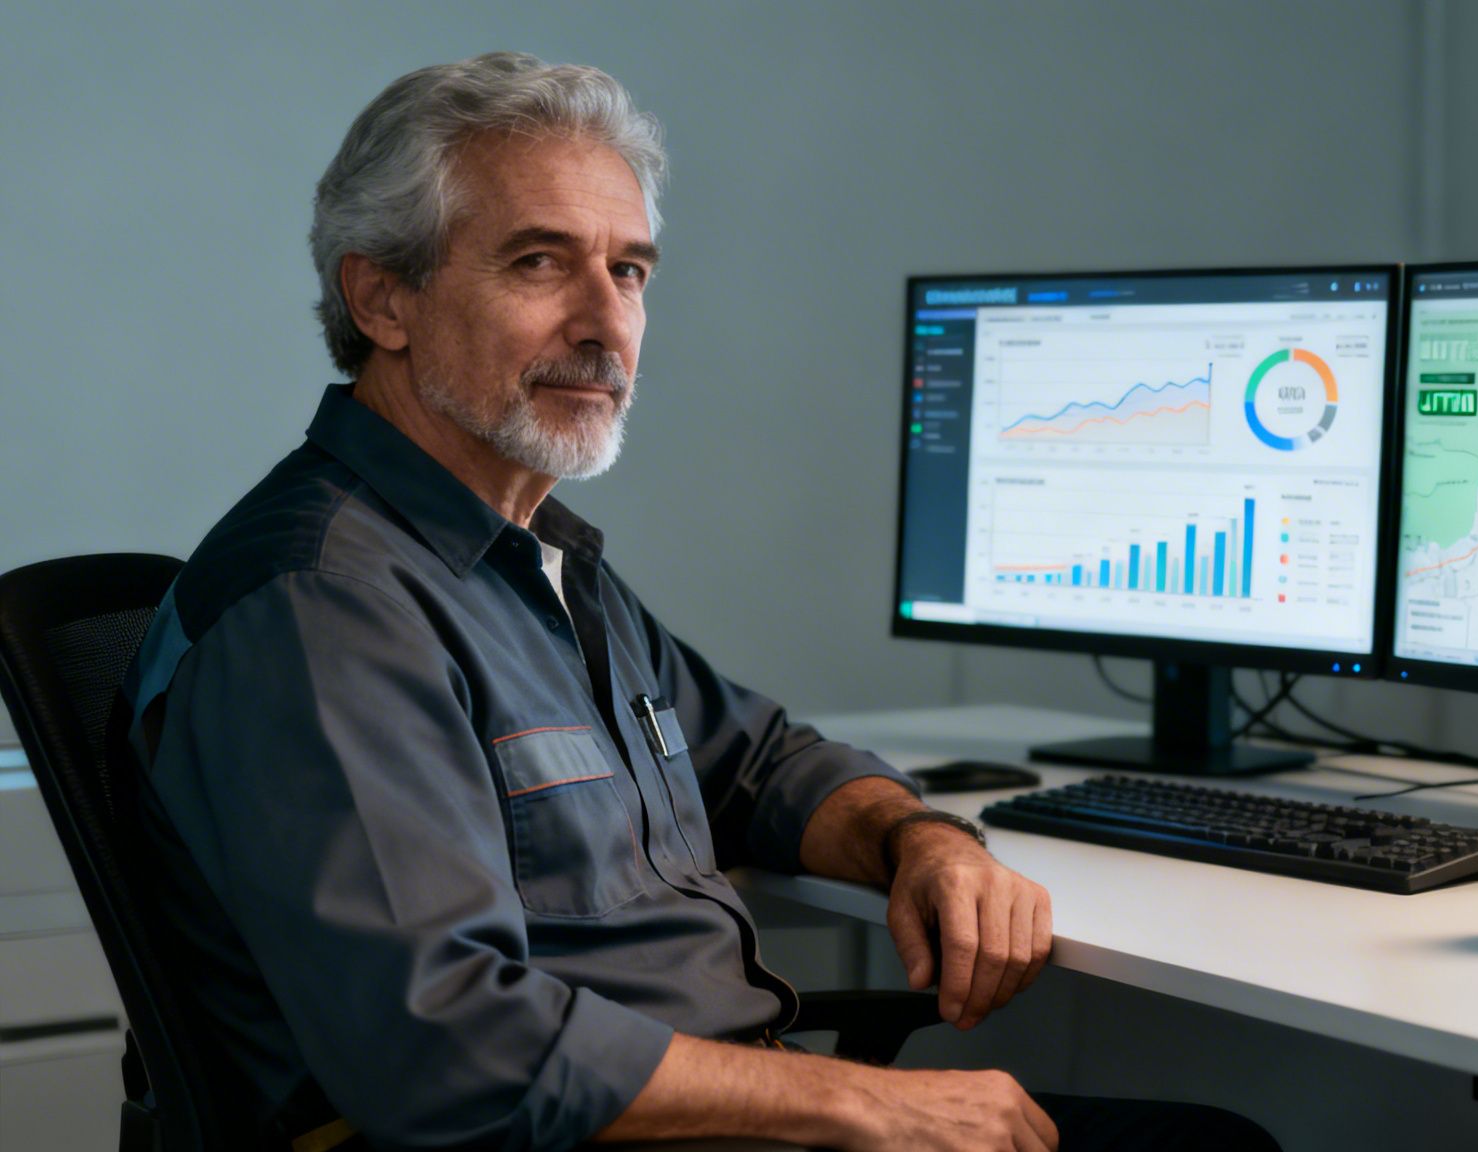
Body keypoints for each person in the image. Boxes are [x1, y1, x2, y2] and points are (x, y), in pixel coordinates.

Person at [122, 51, 1278, 1152]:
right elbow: (446, 1052)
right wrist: (859, 1106)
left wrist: (922, 842)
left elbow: (758, 762)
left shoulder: (526, 556)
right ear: (383, 299)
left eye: (627, 270)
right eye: (537, 261)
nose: (604, 319)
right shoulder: (326, 608)